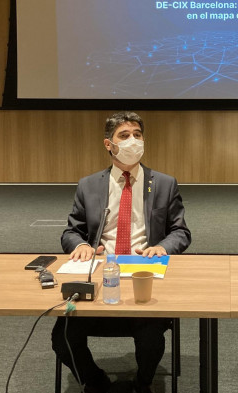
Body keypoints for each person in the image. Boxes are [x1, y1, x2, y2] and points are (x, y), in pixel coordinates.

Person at [51, 111, 191, 393]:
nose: (133, 141)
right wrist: (80, 245)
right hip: (103, 274)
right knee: (62, 335)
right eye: (124, 136)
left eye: (137, 135)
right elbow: (71, 231)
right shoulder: (89, 185)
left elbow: (181, 232)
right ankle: (96, 381)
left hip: (144, 274)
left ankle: (142, 384)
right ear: (108, 144)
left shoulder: (164, 183)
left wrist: (161, 247)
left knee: (151, 334)